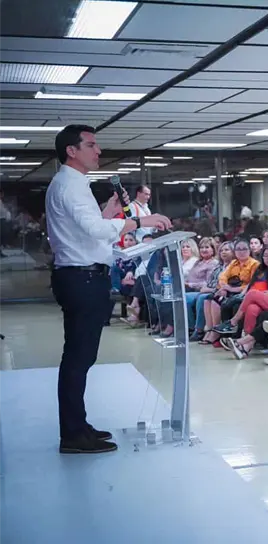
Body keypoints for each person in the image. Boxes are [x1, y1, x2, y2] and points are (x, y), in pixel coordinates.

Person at [46, 124, 171, 453]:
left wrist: (110, 213)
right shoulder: (70, 185)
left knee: (80, 357)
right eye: (91, 145)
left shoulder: (73, 183)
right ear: (72, 150)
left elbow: (86, 229)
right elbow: (95, 230)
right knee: (78, 358)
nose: (98, 150)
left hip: (80, 275)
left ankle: (78, 425)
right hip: (82, 278)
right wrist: (140, 221)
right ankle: (73, 435)